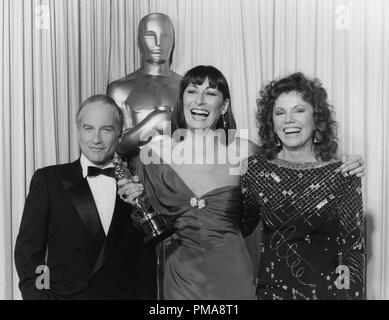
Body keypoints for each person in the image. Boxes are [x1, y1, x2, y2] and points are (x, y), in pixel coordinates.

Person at [117, 66, 365, 300]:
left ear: (224, 106)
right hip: (180, 278)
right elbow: (143, 221)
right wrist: (134, 200)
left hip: (235, 277)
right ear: (181, 100)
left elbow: (292, 164)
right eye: (192, 91)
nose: (200, 100)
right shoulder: (154, 154)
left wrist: (344, 165)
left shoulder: (247, 155)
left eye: (210, 93)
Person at [14, 95, 156, 299]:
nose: (96, 139)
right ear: (79, 131)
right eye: (88, 128)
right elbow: (29, 254)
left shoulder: (136, 184)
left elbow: (146, 262)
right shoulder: (48, 180)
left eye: (106, 129)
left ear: (120, 134)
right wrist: (39, 296)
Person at [240, 72, 366, 300]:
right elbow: (231, 229)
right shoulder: (255, 171)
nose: (288, 120)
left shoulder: (343, 174)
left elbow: (353, 252)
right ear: (272, 122)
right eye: (280, 113)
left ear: (316, 118)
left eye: (299, 110)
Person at [107, 13, 182, 157]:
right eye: (150, 35)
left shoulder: (186, 87)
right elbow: (116, 146)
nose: (159, 43)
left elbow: (201, 141)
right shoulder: (120, 89)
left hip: (181, 172)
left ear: (173, 41)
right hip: (137, 174)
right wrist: (155, 121)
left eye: (166, 36)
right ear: (139, 40)